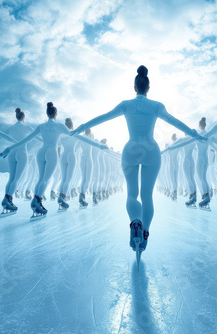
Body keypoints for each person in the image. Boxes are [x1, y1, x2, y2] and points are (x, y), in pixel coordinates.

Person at [71, 65, 206, 258]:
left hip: (131, 149)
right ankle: (145, 232)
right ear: (148, 89)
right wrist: (194, 134)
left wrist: (82, 127)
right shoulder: (157, 106)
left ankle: (135, 221)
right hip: (151, 149)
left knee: (132, 194)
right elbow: (174, 121)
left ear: (134, 87)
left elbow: (104, 117)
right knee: (147, 196)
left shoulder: (126, 104)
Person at [0, 102, 104, 218]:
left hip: (41, 152)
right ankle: (37, 201)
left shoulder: (41, 126)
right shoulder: (59, 126)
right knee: (46, 180)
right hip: (51, 152)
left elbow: (25, 140)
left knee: (40, 179)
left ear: (47, 113)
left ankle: (36, 200)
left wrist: (9, 148)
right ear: (56, 114)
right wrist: (98, 146)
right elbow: (76, 135)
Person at [1, 108, 39, 214]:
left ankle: (6, 199)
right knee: (17, 179)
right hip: (22, 153)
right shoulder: (26, 127)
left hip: (11, 153)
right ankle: (8, 199)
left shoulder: (11, 128)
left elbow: (0, 137)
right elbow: (37, 137)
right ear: (23, 118)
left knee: (11, 179)